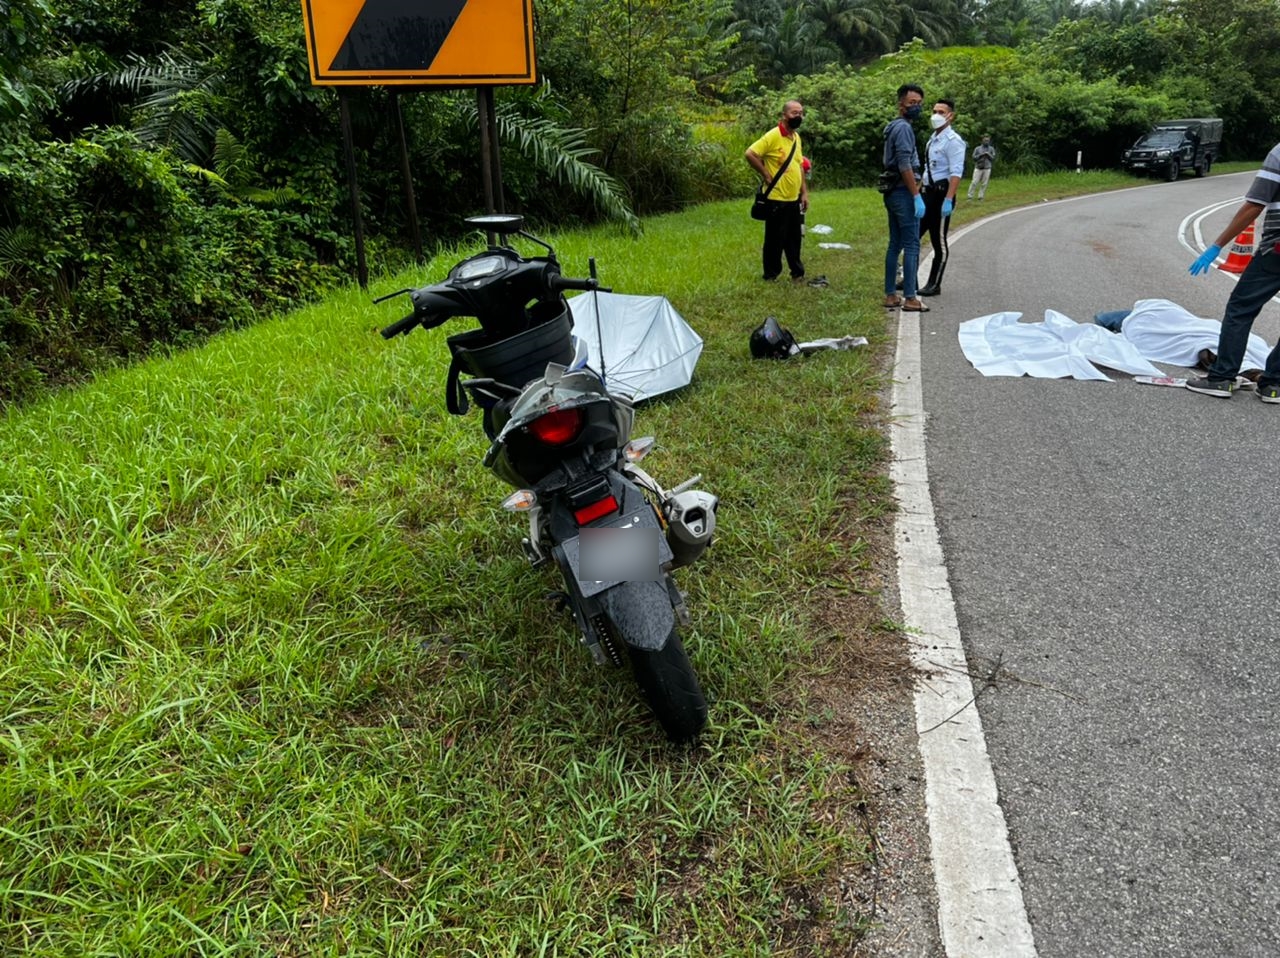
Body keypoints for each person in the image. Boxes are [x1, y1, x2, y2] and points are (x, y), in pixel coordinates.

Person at [1185, 140, 1280, 403]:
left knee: (1241, 308)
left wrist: (1216, 245)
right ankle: (1274, 385)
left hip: (1277, 249)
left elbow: (1255, 204)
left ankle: (1222, 378)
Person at [746, 100, 809, 282]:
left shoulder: (796, 138)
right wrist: (765, 174)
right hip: (776, 198)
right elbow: (750, 153)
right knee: (775, 240)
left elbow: (799, 166)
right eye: (794, 113)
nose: (798, 116)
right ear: (784, 115)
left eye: (801, 113)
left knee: (794, 238)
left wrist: (804, 192)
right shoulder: (773, 136)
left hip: (793, 198)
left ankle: (797, 273)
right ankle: (771, 275)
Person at [882, 83, 928, 312]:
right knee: (911, 244)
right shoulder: (903, 129)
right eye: (912, 103)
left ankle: (891, 295)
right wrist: (915, 194)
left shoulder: (895, 128)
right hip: (902, 192)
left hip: (893, 192)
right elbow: (904, 165)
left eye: (919, 103)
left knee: (895, 243)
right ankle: (910, 297)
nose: (916, 107)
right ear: (901, 105)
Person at [917, 98, 966, 297]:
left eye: (941, 112)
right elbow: (928, 168)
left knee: (939, 242)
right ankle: (908, 278)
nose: (936, 115)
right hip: (927, 193)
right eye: (934, 111)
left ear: (950, 116)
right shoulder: (933, 139)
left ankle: (934, 283)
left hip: (942, 195)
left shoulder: (954, 141)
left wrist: (949, 199)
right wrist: (918, 192)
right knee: (914, 236)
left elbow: (956, 172)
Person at [968, 135, 996, 200]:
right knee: (974, 182)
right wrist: (981, 155)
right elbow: (973, 157)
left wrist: (988, 154)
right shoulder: (977, 148)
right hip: (978, 167)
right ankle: (970, 196)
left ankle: (981, 196)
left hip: (987, 168)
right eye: (985, 140)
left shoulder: (991, 149)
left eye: (988, 141)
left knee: (984, 183)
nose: (987, 142)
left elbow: (993, 158)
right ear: (982, 141)